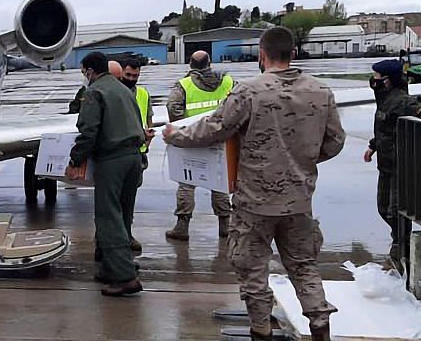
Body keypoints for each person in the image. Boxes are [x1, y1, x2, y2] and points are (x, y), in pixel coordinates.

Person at [163, 27, 345, 340]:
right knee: (303, 266)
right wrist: (301, 162)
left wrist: (174, 135)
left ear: (262, 55)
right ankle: (320, 326)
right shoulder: (320, 91)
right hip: (299, 200)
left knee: (253, 269)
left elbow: (215, 128)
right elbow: (335, 141)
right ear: (294, 54)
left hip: (254, 201)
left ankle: (260, 330)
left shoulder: (249, 91)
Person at [67, 52, 144, 296]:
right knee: (123, 216)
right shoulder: (124, 90)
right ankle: (113, 266)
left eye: (84, 72)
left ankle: (124, 277)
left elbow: (89, 131)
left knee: (108, 217)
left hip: (113, 160)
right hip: (134, 157)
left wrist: (76, 159)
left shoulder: (94, 93)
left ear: (90, 71)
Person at [364, 59, 421, 262]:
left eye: (376, 77)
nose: (373, 80)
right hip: (385, 163)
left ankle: (402, 249)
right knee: (382, 208)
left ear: (387, 80)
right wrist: (373, 146)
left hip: (400, 165)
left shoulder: (402, 101)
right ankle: (399, 243)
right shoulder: (384, 99)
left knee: (396, 212)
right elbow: (385, 128)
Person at [165, 50, 234, 241]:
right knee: (219, 182)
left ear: (190, 64)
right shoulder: (228, 81)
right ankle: (225, 225)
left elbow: (173, 109)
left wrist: (185, 128)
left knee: (187, 181)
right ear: (209, 62)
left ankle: (182, 226)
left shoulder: (184, 85)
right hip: (220, 138)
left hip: (191, 138)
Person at [119, 58, 155, 252]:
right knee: (115, 200)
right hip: (118, 153)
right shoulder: (115, 92)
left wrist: (148, 140)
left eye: (135, 76)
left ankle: (127, 233)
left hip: (138, 153)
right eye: (128, 75)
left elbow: (149, 119)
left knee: (129, 198)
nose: (132, 79)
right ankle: (112, 236)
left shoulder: (142, 93)